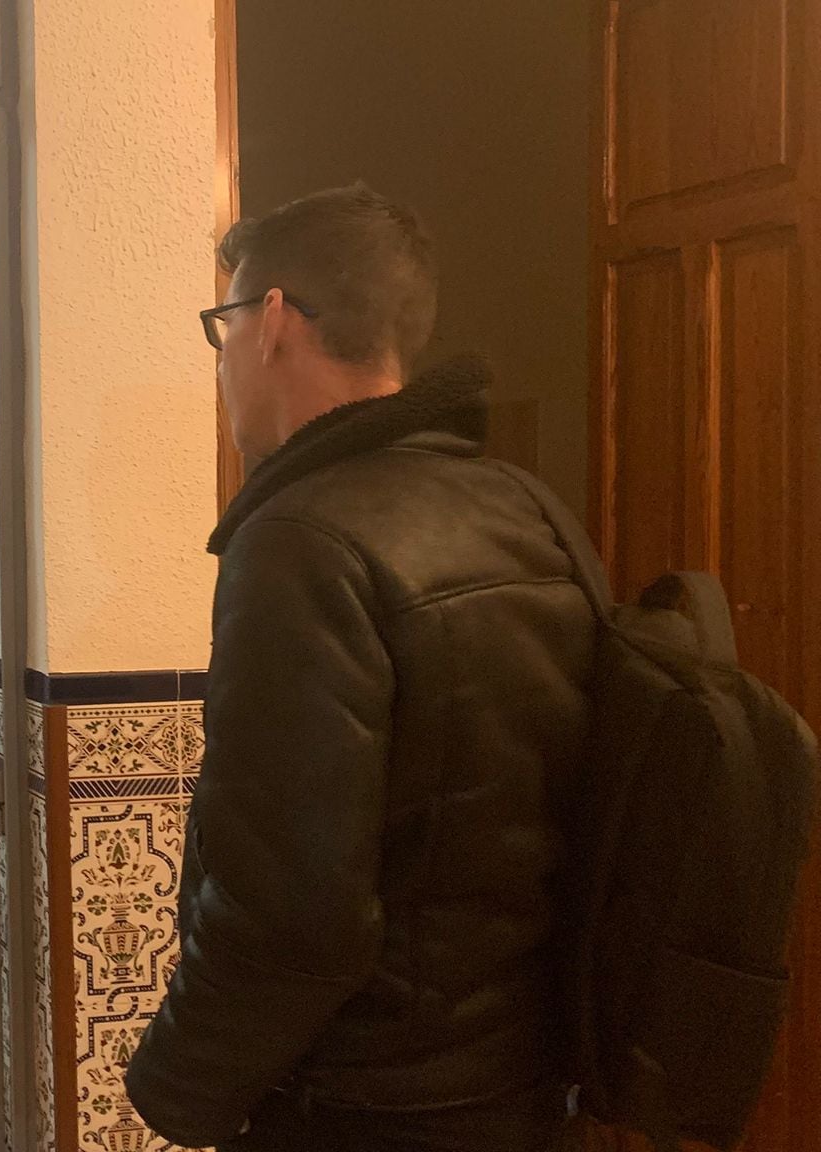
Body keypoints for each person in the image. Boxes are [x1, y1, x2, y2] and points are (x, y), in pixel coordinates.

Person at [123, 185, 598, 1152]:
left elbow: (291, 917)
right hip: (524, 1089)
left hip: (364, 1107)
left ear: (272, 323)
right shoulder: (529, 507)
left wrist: (173, 1089)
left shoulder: (300, 543)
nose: (220, 368)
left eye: (222, 328)